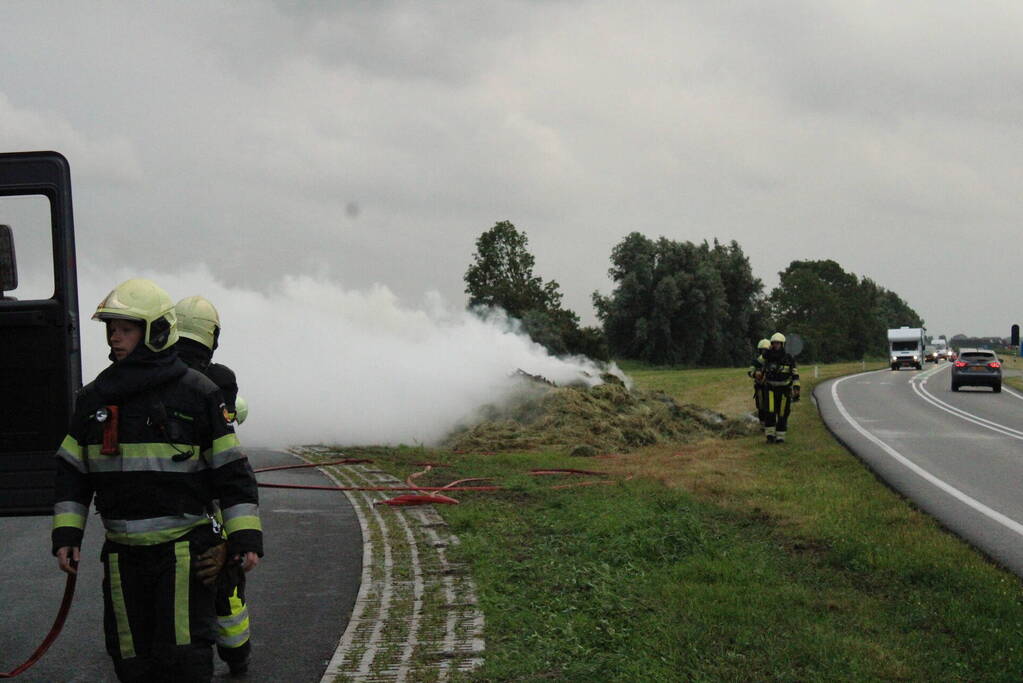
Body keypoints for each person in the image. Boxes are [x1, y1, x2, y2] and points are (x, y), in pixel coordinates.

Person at [52, 278, 262, 683]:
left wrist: (244, 541)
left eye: (126, 328)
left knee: (184, 658)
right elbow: (72, 472)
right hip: (121, 555)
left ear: (157, 332)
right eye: (111, 328)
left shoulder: (198, 394)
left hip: (183, 554)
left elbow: (232, 472)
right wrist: (66, 535)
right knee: (131, 660)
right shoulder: (95, 399)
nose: (115, 337)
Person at [175, 295, 252, 677]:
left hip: (168, 500)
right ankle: (236, 652)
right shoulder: (219, 379)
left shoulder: (155, 371)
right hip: (211, 496)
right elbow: (229, 421)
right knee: (226, 572)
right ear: (212, 336)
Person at [759, 332, 800, 443]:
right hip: (770, 389)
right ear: (771, 344)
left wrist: (796, 387)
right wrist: (757, 373)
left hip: (784, 390)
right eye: (774, 343)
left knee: (782, 413)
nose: (776, 345)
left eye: (778, 343)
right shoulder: (766, 356)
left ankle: (780, 437)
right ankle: (770, 436)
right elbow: (757, 366)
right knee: (770, 412)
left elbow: (795, 373)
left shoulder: (789, 358)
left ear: (782, 344)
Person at [748, 338, 771, 425]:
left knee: (771, 406)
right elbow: (750, 372)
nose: (763, 352)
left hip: (771, 387)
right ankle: (762, 424)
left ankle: (771, 423)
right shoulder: (756, 361)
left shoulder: (772, 361)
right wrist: (755, 374)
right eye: (762, 350)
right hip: (760, 388)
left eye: (765, 350)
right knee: (761, 406)